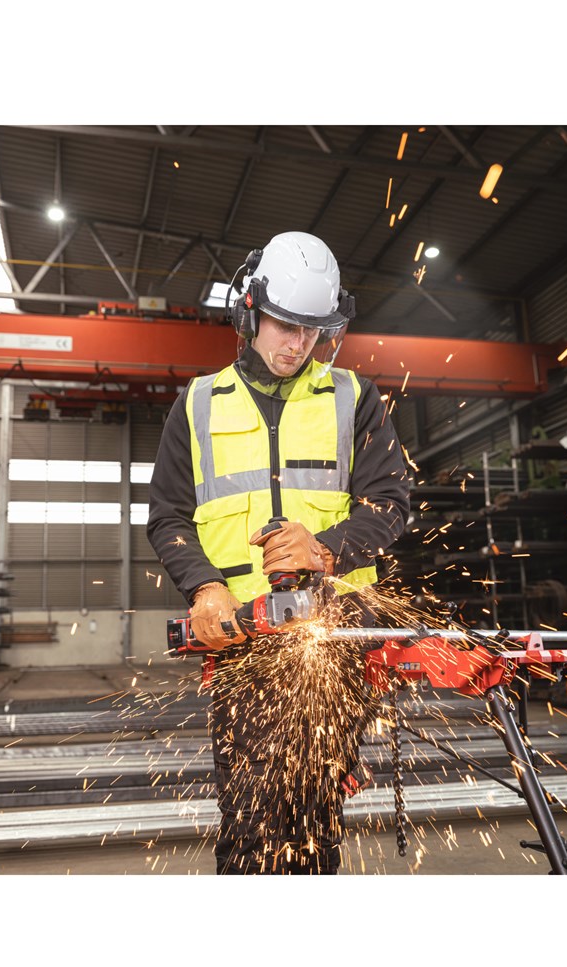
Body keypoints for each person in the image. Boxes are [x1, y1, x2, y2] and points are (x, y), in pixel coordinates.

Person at [147, 231, 410, 874]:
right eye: (286, 325)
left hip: (333, 641)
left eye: (312, 330)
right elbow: (168, 517)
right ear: (251, 310)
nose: (298, 344)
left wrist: (326, 549)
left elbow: (390, 504)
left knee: (315, 820)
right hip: (243, 640)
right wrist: (205, 587)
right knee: (250, 819)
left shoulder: (354, 397)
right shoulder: (198, 403)